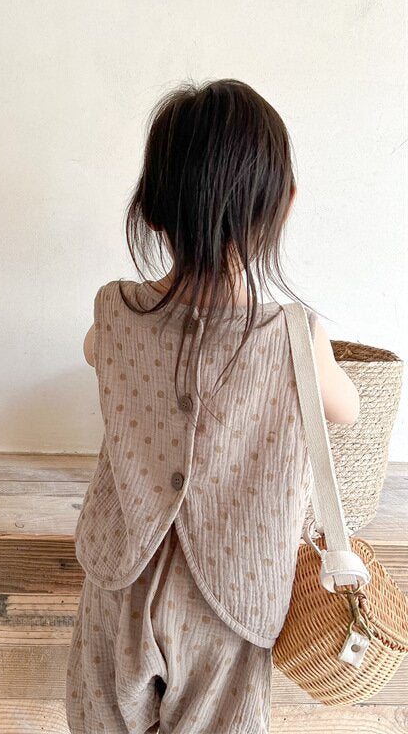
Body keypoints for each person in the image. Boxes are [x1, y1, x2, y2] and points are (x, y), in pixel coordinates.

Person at [65, 78, 360, 734]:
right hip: (233, 596)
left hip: (121, 577)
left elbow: (94, 352)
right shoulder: (295, 335)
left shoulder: (115, 311)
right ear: (283, 205)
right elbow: (347, 410)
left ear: (151, 211)